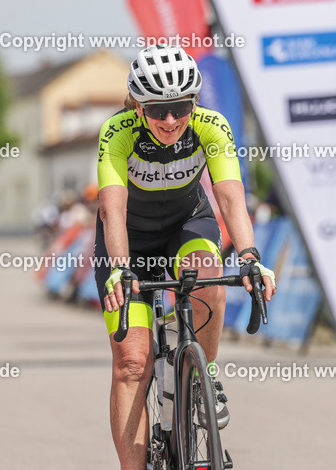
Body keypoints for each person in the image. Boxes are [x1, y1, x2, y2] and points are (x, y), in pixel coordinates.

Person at [96, 44, 276, 470]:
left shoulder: (211, 125)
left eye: (180, 107)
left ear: (194, 101)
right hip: (129, 242)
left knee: (210, 276)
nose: (171, 120)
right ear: (138, 107)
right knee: (132, 363)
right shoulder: (117, 131)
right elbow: (112, 209)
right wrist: (120, 267)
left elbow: (231, 196)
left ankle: (203, 377)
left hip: (186, 226)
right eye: (158, 110)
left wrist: (249, 255)